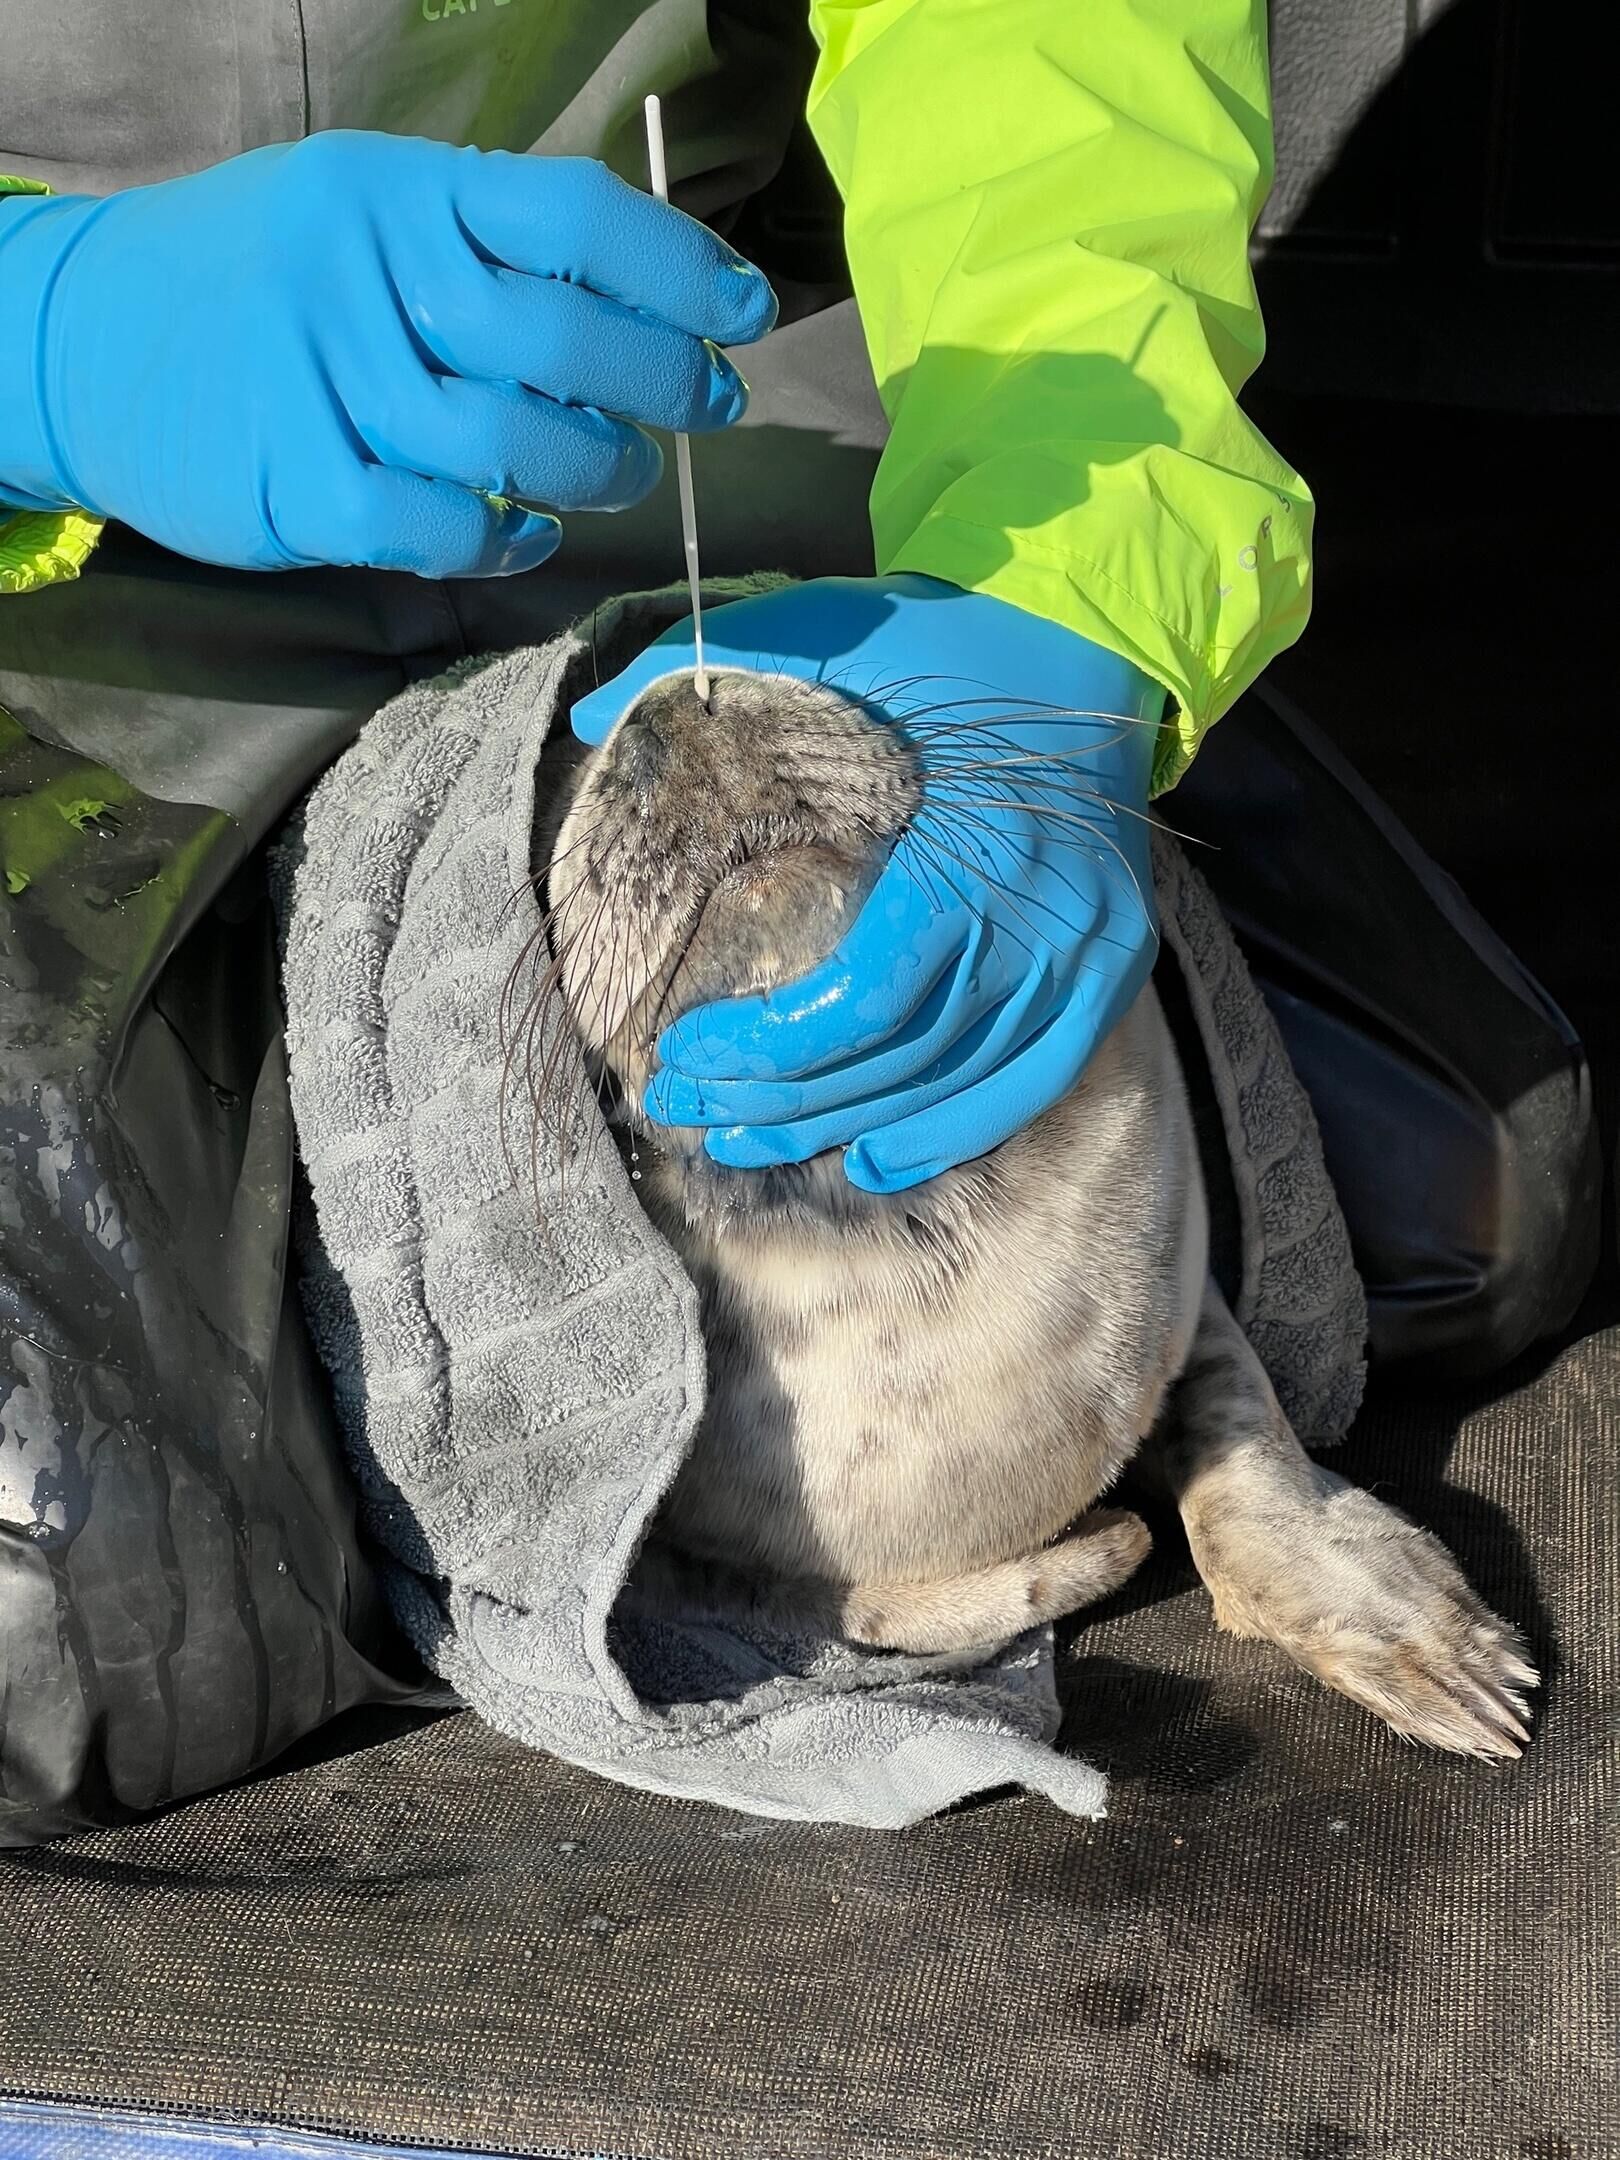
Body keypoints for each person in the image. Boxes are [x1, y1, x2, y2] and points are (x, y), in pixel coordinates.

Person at [0, 0, 1309, 1837]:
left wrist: (1069, 585)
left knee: (1468, 1202)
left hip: (678, 439)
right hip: (72, 609)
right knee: (60, 1618)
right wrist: (36, 333)